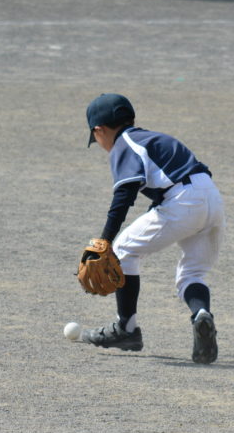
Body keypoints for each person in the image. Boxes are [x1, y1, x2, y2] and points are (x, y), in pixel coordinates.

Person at [81, 93, 225, 364]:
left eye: (95, 137)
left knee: (122, 250)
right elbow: (181, 177)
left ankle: (126, 329)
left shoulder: (124, 144)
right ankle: (201, 314)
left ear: (99, 130)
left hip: (183, 202)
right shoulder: (155, 138)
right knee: (193, 273)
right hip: (211, 199)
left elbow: (124, 195)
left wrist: (104, 241)